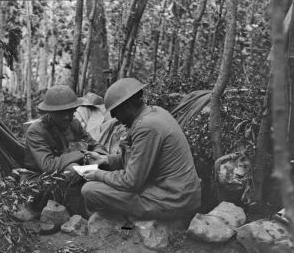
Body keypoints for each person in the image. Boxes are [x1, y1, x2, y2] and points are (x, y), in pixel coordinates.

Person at [81, 77, 201, 221]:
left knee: (90, 189)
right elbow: (140, 159)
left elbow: (131, 182)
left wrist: (98, 174)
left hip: (173, 201)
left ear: (128, 106)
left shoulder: (146, 127)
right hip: (177, 194)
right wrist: (106, 159)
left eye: (115, 112)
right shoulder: (155, 112)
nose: (115, 118)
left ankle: (116, 221)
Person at [22, 85, 107, 216]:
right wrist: (81, 153)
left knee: (106, 163)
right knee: (73, 169)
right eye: (61, 113)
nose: (67, 116)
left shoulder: (74, 124)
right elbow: (48, 165)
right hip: (38, 182)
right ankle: (79, 211)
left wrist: (99, 156)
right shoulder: (37, 130)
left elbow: (95, 145)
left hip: (66, 176)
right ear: (50, 112)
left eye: (71, 111)